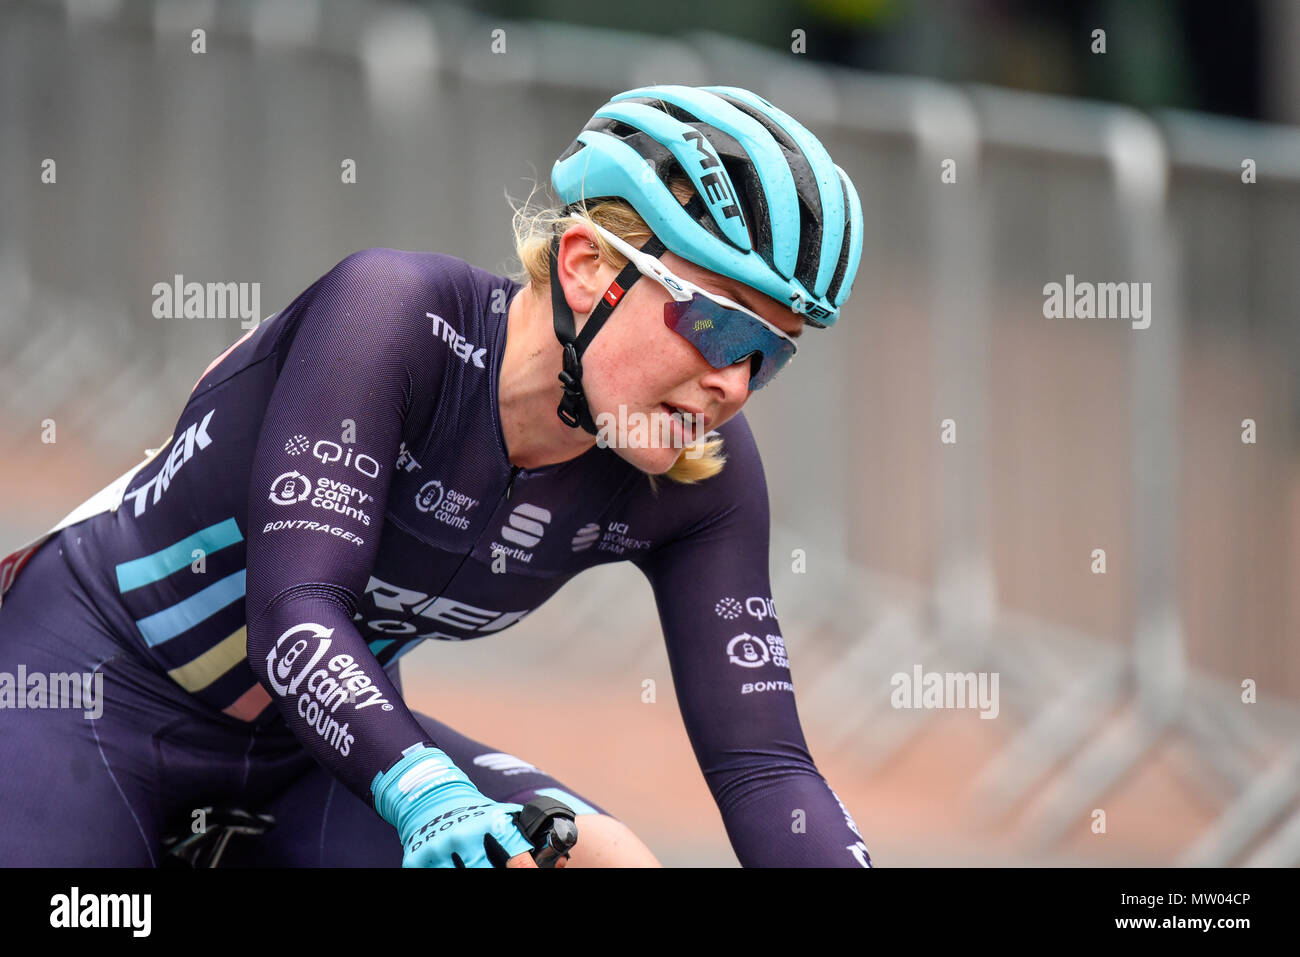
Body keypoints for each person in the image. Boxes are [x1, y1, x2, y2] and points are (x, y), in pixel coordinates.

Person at [0, 84, 870, 867]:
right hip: (89, 689)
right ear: (586, 268)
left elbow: (765, 767)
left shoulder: (696, 475)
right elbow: (294, 614)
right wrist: (428, 793)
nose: (735, 383)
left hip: (311, 752)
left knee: (604, 865)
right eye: (720, 328)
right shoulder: (394, 319)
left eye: (770, 355)